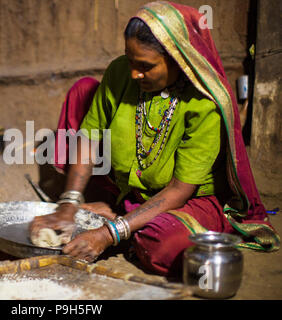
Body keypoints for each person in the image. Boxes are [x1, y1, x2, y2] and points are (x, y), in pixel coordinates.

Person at [30, 1, 279, 277]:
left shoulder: (204, 104)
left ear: (179, 58)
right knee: (83, 91)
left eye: (146, 66)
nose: (135, 73)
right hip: (127, 184)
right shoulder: (121, 72)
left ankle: (124, 219)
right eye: (130, 59)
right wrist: (69, 203)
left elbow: (179, 189)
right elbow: (88, 137)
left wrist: (110, 232)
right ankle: (121, 211)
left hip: (187, 199)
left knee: (162, 248)